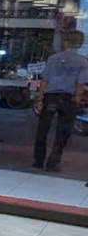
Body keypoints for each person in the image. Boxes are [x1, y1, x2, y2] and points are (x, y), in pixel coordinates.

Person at [33, 30, 88, 171]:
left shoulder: (53, 58)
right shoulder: (83, 62)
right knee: (62, 132)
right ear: (80, 44)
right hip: (69, 98)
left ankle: (38, 161)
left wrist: (39, 98)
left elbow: (44, 80)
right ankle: (52, 163)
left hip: (50, 96)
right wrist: (77, 99)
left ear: (66, 42)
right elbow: (80, 84)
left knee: (43, 129)